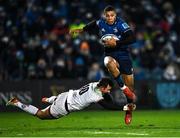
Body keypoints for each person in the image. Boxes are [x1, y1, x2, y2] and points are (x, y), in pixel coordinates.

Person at [69, 5, 136, 124]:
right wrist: (81, 29)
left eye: (112, 15)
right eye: (108, 16)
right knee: (108, 62)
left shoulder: (121, 24)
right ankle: (123, 88)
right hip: (110, 53)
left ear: (115, 16)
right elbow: (92, 24)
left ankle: (128, 111)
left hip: (123, 55)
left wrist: (117, 42)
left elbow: (132, 38)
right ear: (105, 16)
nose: (110, 18)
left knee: (131, 88)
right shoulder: (101, 23)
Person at [6, 78, 136, 121]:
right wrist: (124, 107)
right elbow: (108, 106)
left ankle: (50, 99)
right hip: (64, 107)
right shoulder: (95, 96)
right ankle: (16, 102)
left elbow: (107, 96)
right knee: (41, 115)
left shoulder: (94, 84)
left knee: (54, 102)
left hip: (65, 95)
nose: (108, 91)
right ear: (102, 87)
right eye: (107, 88)